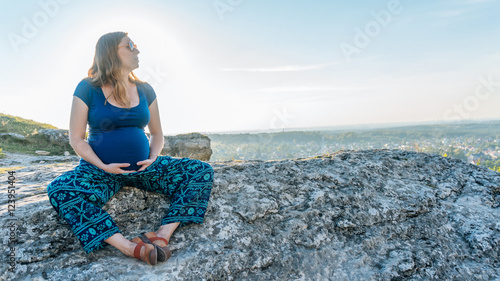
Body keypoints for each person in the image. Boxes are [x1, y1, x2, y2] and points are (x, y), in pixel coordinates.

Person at [46, 31, 214, 265]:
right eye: (130, 46)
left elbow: (156, 133)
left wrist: (153, 156)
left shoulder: (145, 89)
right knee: (59, 189)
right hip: (101, 171)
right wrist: (103, 165)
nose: (137, 50)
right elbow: (77, 139)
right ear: (111, 53)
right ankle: (127, 247)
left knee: (200, 171)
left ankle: (162, 235)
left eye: (135, 46)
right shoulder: (87, 88)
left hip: (146, 169)